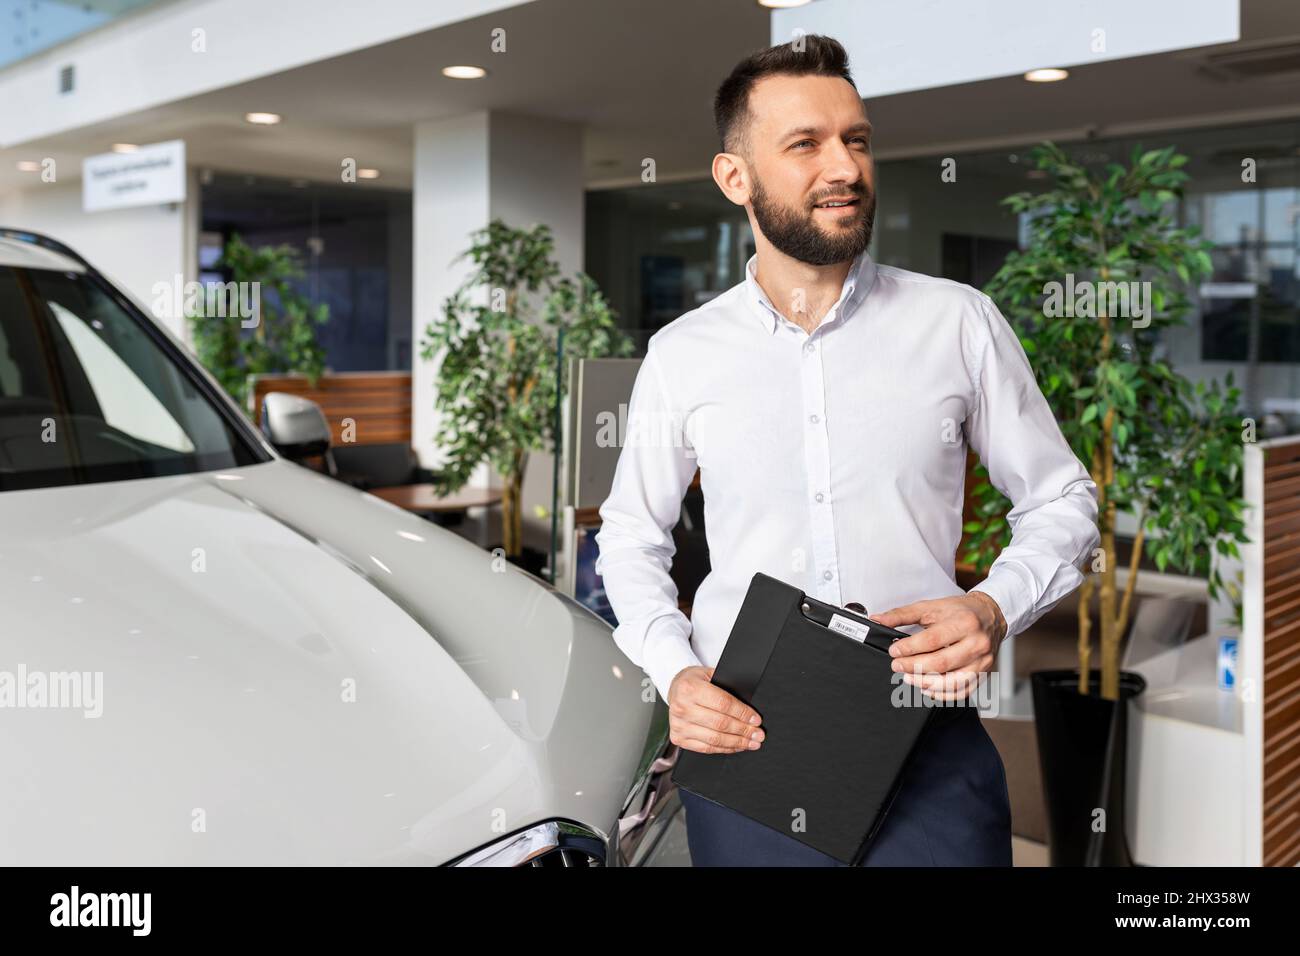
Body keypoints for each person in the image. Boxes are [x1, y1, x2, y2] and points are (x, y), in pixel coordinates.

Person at [593, 34, 1099, 866]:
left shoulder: (958, 322)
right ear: (735, 179)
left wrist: (994, 605)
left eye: (856, 140)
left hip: (926, 738)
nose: (846, 167)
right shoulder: (683, 353)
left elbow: (1060, 501)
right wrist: (674, 672)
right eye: (806, 144)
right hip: (749, 742)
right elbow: (630, 538)